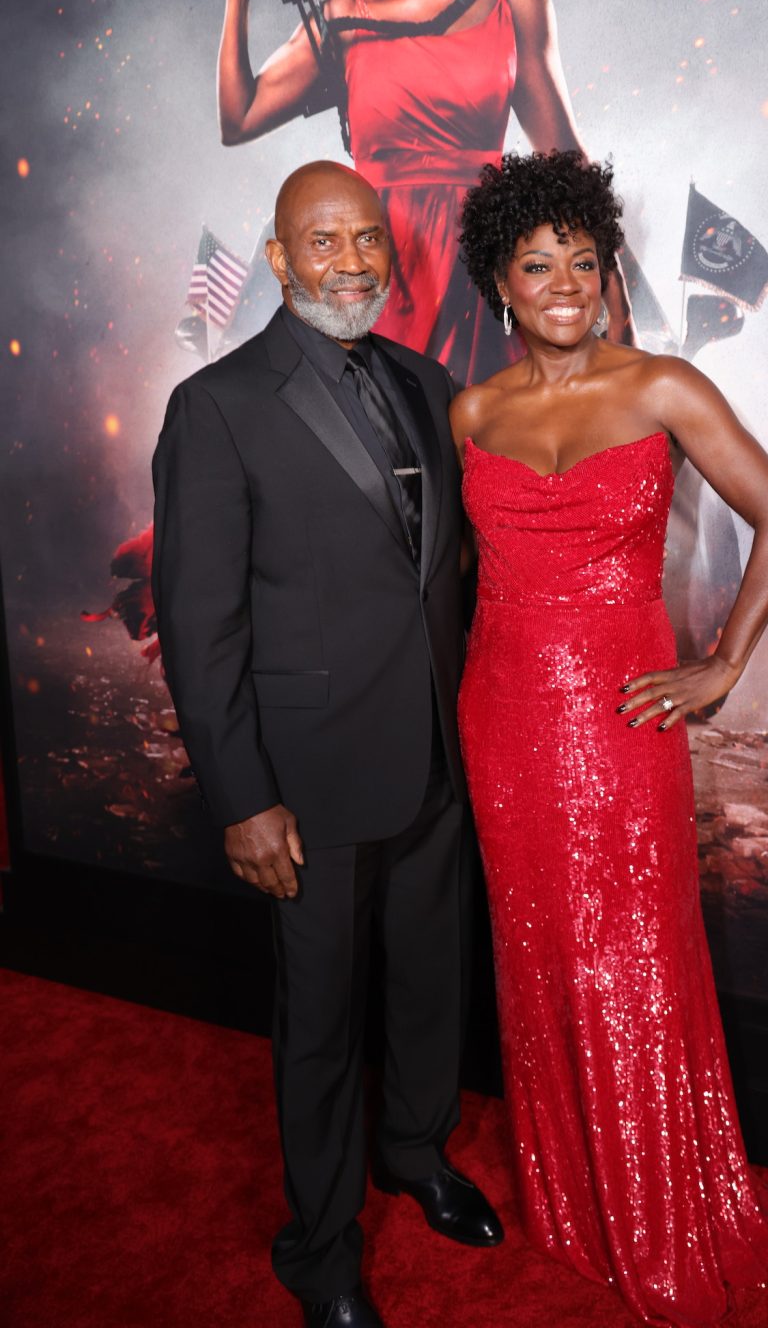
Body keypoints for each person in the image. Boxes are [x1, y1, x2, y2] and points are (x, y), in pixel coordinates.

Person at [451, 150, 768, 1325]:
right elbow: (469, 575)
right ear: (500, 285)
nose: (564, 282)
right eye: (537, 264)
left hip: (623, 722)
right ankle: (572, 1196)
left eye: (583, 260)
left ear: (607, 272)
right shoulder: (473, 411)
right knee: (535, 956)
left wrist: (721, 665)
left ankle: (657, 1201)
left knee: (633, 955)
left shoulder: (665, 386)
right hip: (503, 720)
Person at [152, 160, 502, 1328]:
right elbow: (200, 625)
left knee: (430, 985)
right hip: (305, 784)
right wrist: (242, 799)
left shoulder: (424, 380)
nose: (349, 262)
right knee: (320, 1024)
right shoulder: (216, 406)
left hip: (434, 759)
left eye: (365, 240)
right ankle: (320, 1249)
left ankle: (415, 1152)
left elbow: (440, 572)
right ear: (277, 256)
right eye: (322, 241)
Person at [214, 0, 637, 378]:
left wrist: (616, 293)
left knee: (495, 431)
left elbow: (567, 163)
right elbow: (239, 117)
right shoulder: (343, 18)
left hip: (487, 277)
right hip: (380, 281)